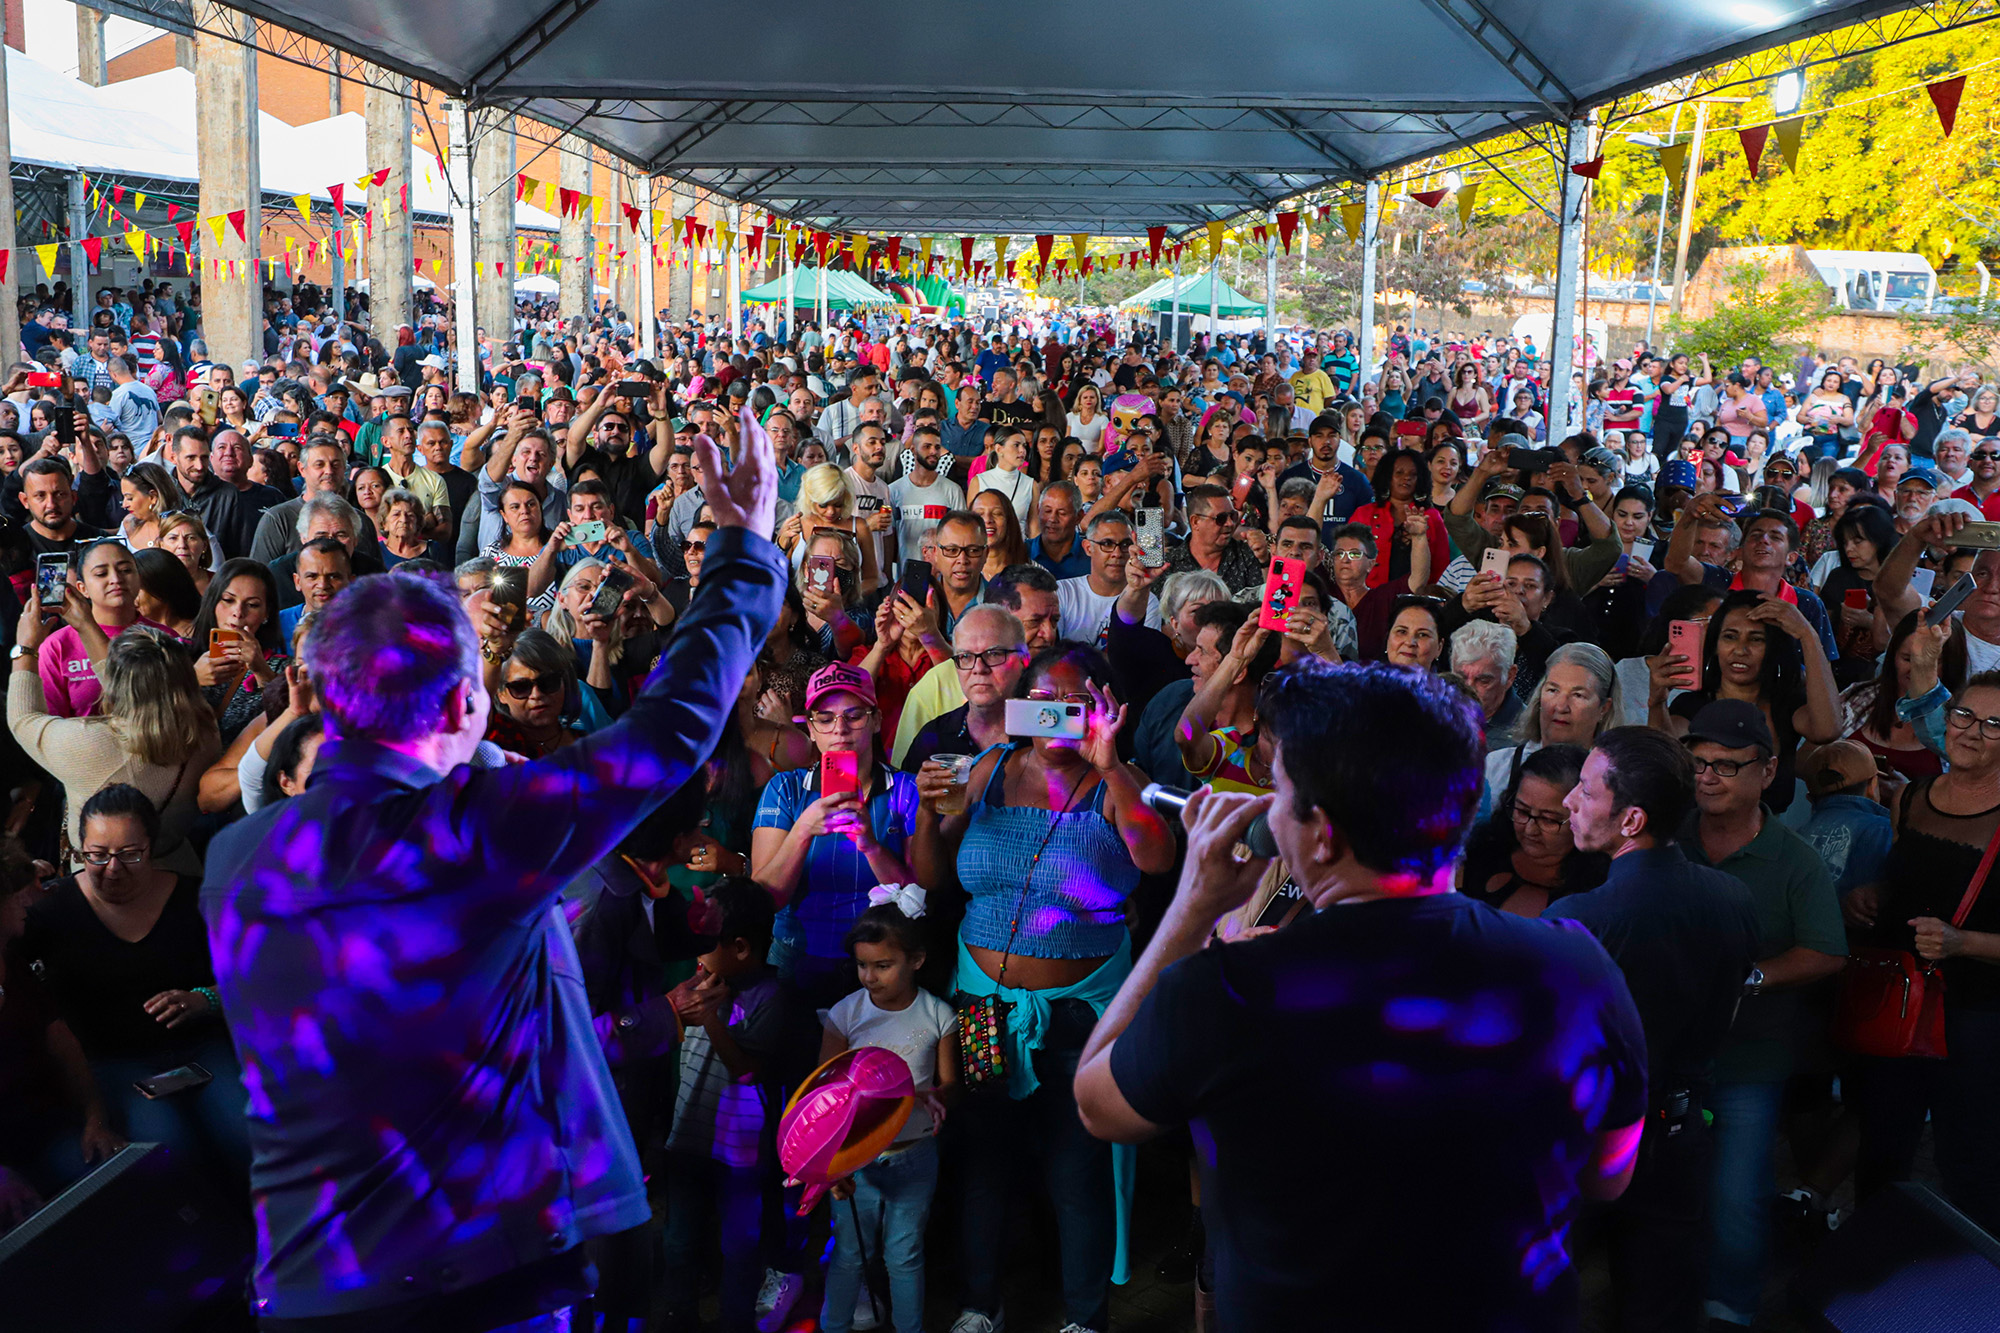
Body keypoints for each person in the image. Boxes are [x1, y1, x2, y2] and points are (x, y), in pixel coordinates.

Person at [195, 419, 783, 1328]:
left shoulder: (235, 857)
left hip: (310, 1287)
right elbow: (671, 729)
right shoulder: (473, 832)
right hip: (473, 1283)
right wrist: (743, 547)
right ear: (468, 702)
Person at [1070, 661, 1646, 1331]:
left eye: (1280, 789)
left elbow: (1098, 1103)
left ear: (1323, 829)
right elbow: (1609, 1174)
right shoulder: (1576, 965)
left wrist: (1192, 907)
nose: (1266, 809)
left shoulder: (1231, 986)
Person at [910, 642, 1175, 1333]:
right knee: (986, 1158)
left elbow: (1156, 856)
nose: (1060, 717)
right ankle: (979, 1303)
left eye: (1077, 703)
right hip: (982, 1003)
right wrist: (922, 810)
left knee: (1075, 1168)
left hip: (1079, 1015)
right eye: (1045, 702)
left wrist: (1111, 765)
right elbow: (933, 874)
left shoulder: (1120, 782)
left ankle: (1085, 1316)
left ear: (1104, 709)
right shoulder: (989, 769)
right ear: (1023, 707)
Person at [1546, 727, 1763, 1333]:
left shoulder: (1581, 918)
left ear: (1632, 818)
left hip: (1586, 1142)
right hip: (1679, 1135)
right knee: (1660, 1308)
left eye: (1586, 792)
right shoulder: (1734, 899)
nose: (1569, 802)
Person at [1674, 699, 1846, 1329]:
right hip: (1668, 1056)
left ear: (1767, 773)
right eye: (1698, 763)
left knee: (1736, 1200)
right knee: (1662, 1194)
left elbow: (1828, 952)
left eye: (1726, 765)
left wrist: (1750, 977)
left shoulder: (1795, 860)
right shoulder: (1667, 838)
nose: (1708, 776)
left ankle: (1731, 1312)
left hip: (1750, 1059)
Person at [20, 784, 249, 1192]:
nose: (112, 868)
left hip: (201, 1049)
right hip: (114, 1062)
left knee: (243, 1131)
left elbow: (252, 973)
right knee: (165, 1147)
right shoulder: (51, 912)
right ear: (80, 848)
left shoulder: (195, 897)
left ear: (152, 846)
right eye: (97, 855)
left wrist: (205, 998)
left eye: (130, 854)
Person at [1848, 627, 2000, 1235]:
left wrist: (1965, 944)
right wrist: (1872, 893)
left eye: (1994, 724)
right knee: (1882, 1146)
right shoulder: (1911, 797)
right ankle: (1869, 1279)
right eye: (1965, 714)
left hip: (1980, 1021)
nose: (1971, 730)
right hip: (1900, 1003)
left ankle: (1971, 1298)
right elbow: (1903, 881)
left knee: (1972, 1161)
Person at [660, 879, 802, 1333]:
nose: (696, 952)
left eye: (706, 943)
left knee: (738, 1245)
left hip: (741, 1152)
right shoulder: (700, 980)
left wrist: (713, 1019)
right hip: (686, 1136)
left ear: (740, 947)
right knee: (679, 1241)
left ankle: (735, 1322)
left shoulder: (772, 998)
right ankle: (676, 1317)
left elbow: (748, 1071)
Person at [816, 890, 958, 1333]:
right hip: (855, 1158)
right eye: (863, 966)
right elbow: (823, 1095)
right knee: (850, 1254)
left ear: (915, 960)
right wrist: (830, 1165)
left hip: (914, 1156)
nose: (870, 977)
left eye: (882, 966)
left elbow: (951, 1084)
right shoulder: (845, 1015)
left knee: (905, 1255)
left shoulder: (938, 1015)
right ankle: (834, 1326)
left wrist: (939, 1096)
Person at [751, 662, 921, 1010]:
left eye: (855, 715)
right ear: (810, 729)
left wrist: (871, 845)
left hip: (878, 963)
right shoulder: (786, 789)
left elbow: (916, 897)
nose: (840, 729)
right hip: (795, 953)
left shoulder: (904, 789)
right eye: (825, 719)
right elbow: (764, 898)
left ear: (876, 721)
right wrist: (802, 830)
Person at [10, 616, 219, 874]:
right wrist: (84, 624)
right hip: (179, 873)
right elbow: (149, 687)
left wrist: (26, 648)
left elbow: (23, 718)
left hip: (103, 880)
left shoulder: (88, 742)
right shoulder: (205, 730)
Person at [1460, 741, 1608, 915]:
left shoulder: (1599, 888)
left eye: (1549, 820)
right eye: (1522, 811)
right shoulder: (1480, 851)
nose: (1530, 830)